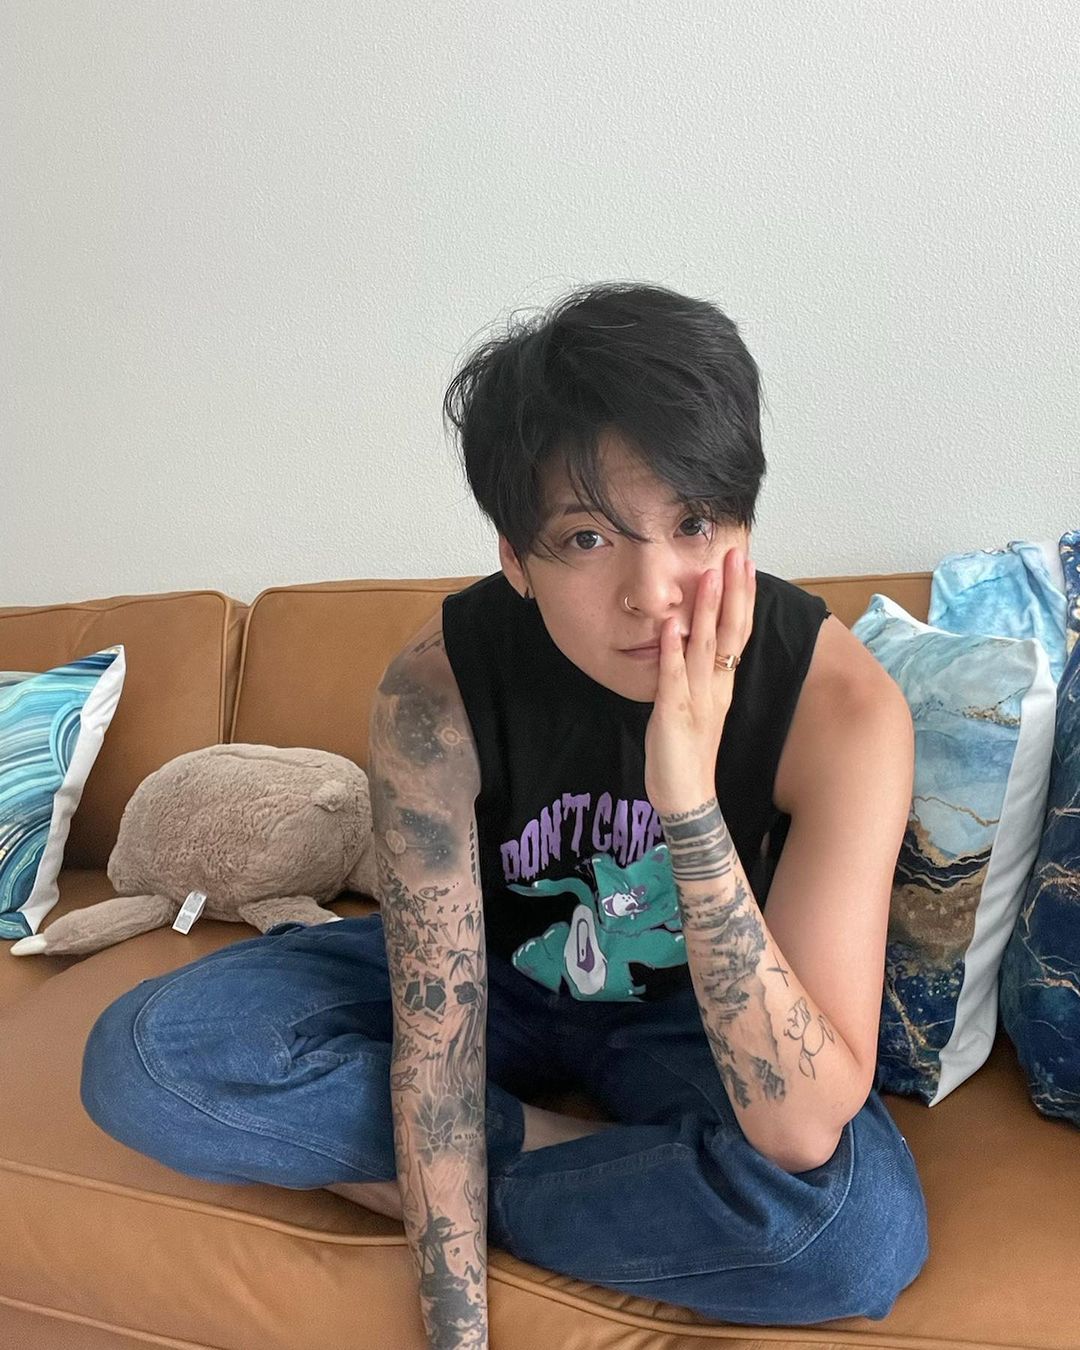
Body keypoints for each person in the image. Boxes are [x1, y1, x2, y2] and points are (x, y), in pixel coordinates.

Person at [80, 282, 929, 1349]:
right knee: (146, 1058)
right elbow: (438, 1041)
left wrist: (688, 803)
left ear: (745, 523)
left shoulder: (841, 710)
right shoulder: (436, 691)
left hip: (697, 1018)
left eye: (695, 523)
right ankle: (575, 1157)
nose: (655, 590)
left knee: (851, 1234)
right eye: (587, 538)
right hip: (490, 974)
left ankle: (486, 1164)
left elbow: (801, 1131)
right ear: (516, 559)